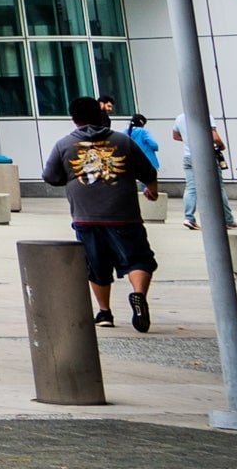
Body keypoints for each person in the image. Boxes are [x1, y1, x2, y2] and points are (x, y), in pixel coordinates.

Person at [47, 95, 161, 331]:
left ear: (73, 119)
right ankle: (138, 294)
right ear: (100, 115)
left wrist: (71, 178)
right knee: (139, 259)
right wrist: (152, 190)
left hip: (85, 217)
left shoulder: (63, 144)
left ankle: (105, 313)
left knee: (96, 266)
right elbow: (148, 172)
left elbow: (51, 176)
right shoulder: (123, 141)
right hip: (124, 215)